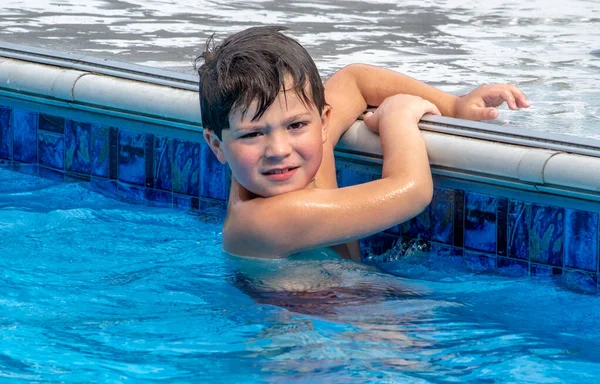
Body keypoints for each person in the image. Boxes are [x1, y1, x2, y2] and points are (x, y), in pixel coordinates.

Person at [195, 26, 529, 261]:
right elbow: (412, 191)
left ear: (323, 122)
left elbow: (355, 79)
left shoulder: (306, 162)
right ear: (217, 145)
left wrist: (453, 106)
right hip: (301, 355)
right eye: (253, 134)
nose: (279, 149)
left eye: (296, 125)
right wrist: (397, 119)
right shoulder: (265, 220)